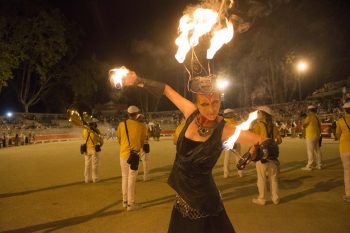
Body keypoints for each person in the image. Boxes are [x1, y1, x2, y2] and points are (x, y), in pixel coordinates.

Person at [121, 70, 271, 233]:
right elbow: (165, 89)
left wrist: (257, 152)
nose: (212, 109)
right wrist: (137, 80)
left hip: (205, 201)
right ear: (197, 104)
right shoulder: (190, 113)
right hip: (183, 198)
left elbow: (263, 141)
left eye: (215, 102)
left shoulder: (225, 130)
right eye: (205, 104)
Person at [116, 106, 147, 211]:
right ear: (137, 114)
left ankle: (125, 201)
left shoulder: (121, 125)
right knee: (132, 180)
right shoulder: (142, 126)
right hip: (134, 155)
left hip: (123, 154)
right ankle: (131, 204)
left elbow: (119, 139)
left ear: (128, 114)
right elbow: (142, 142)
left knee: (124, 178)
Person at [251, 106, 282, 205]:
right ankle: (275, 198)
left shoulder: (258, 125)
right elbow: (279, 141)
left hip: (262, 155)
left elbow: (254, 141)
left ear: (262, 114)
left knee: (261, 178)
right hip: (273, 155)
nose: (257, 114)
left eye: (258, 113)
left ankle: (262, 199)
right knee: (274, 177)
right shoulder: (273, 126)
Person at [222, 108, 243, 178]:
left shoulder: (223, 122)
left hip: (226, 142)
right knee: (238, 157)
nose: (233, 114)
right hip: (235, 141)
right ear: (228, 114)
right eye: (231, 113)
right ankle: (240, 172)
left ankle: (226, 173)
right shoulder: (232, 121)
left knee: (226, 158)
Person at [336, 102, 350, 202]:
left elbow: (337, 134)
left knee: (347, 171)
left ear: (345, 110)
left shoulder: (341, 121)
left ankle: (348, 194)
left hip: (345, 148)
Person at [301, 105, 323, 171]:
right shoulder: (317, 117)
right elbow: (319, 125)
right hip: (317, 135)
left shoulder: (309, 116)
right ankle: (319, 165)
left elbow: (304, 124)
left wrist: (303, 121)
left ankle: (309, 165)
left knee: (310, 151)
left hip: (310, 135)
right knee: (317, 151)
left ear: (309, 110)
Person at [82, 118, 104, 183]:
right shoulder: (96, 131)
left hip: (87, 149)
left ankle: (87, 179)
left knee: (87, 165)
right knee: (95, 165)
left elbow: (84, 137)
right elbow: (101, 141)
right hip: (94, 149)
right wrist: (100, 144)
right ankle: (95, 178)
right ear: (94, 124)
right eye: (95, 123)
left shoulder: (84, 130)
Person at [136, 113, 151, 181]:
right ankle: (145, 177)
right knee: (145, 161)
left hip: (136, 145)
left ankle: (135, 176)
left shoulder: (135, 126)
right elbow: (148, 135)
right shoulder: (146, 126)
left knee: (136, 161)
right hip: (144, 144)